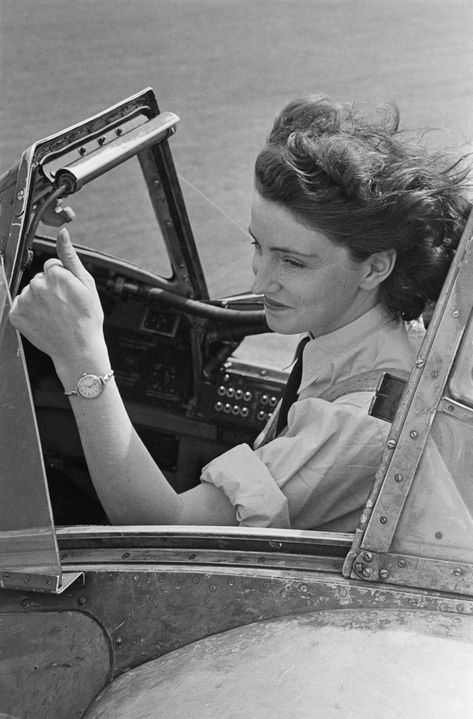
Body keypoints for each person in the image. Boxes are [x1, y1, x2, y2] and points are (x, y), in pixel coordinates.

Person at [9, 96, 470, 531]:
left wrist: (81, 358)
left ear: (375, 267)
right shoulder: (369, 333)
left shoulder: (358, 424)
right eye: (258, 246)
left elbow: (163, 525)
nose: (260, 282)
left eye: (292, 261)